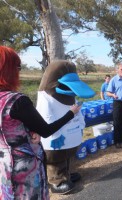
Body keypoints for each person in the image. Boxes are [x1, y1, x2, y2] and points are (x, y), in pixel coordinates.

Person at [0, 46, 81, 199]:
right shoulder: (16, 101)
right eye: (17, 67)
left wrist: (29, 131)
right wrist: (71, 113)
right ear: (8, 70)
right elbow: (46, 130)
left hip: (2, 164)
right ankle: (57, 179)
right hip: (23, 167)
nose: (19, 72)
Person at [36, 60, 95, 194]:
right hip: (56, 138)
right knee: (56, 160)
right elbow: (46, 119)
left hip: (71, 134)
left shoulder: (71, 96)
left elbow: (78, 112)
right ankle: (56, 180)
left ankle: (66, 174)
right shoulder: (46, 97)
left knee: (67, 157)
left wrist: (80, 124)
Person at [107, 64, 122, 148]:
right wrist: (113, 95)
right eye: (121, 69)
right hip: (117, 103)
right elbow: (108, 92)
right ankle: (117, 141)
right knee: (117, 122)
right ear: (117, 70)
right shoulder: (114, 80)